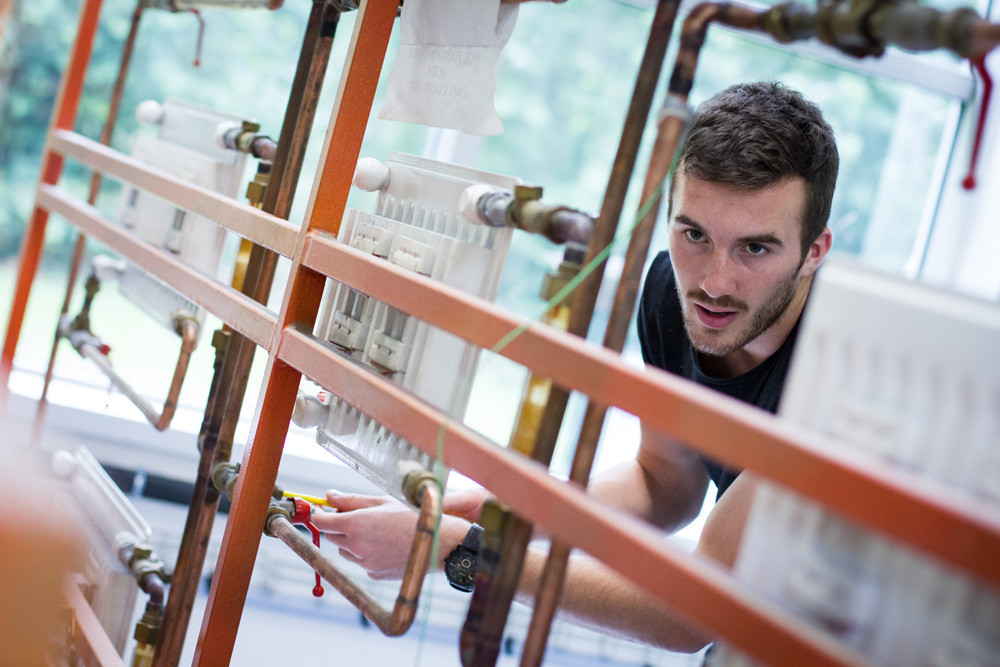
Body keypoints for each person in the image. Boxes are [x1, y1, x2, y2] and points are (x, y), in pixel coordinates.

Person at [311, 81, 838, 652]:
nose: (713, 282)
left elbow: (697, 611)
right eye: (694, 234)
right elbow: (665, 483)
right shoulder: (669, 292)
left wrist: (464, 550)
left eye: (755, 249)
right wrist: (501, 513)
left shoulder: (837, 374)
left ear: (815, 250)